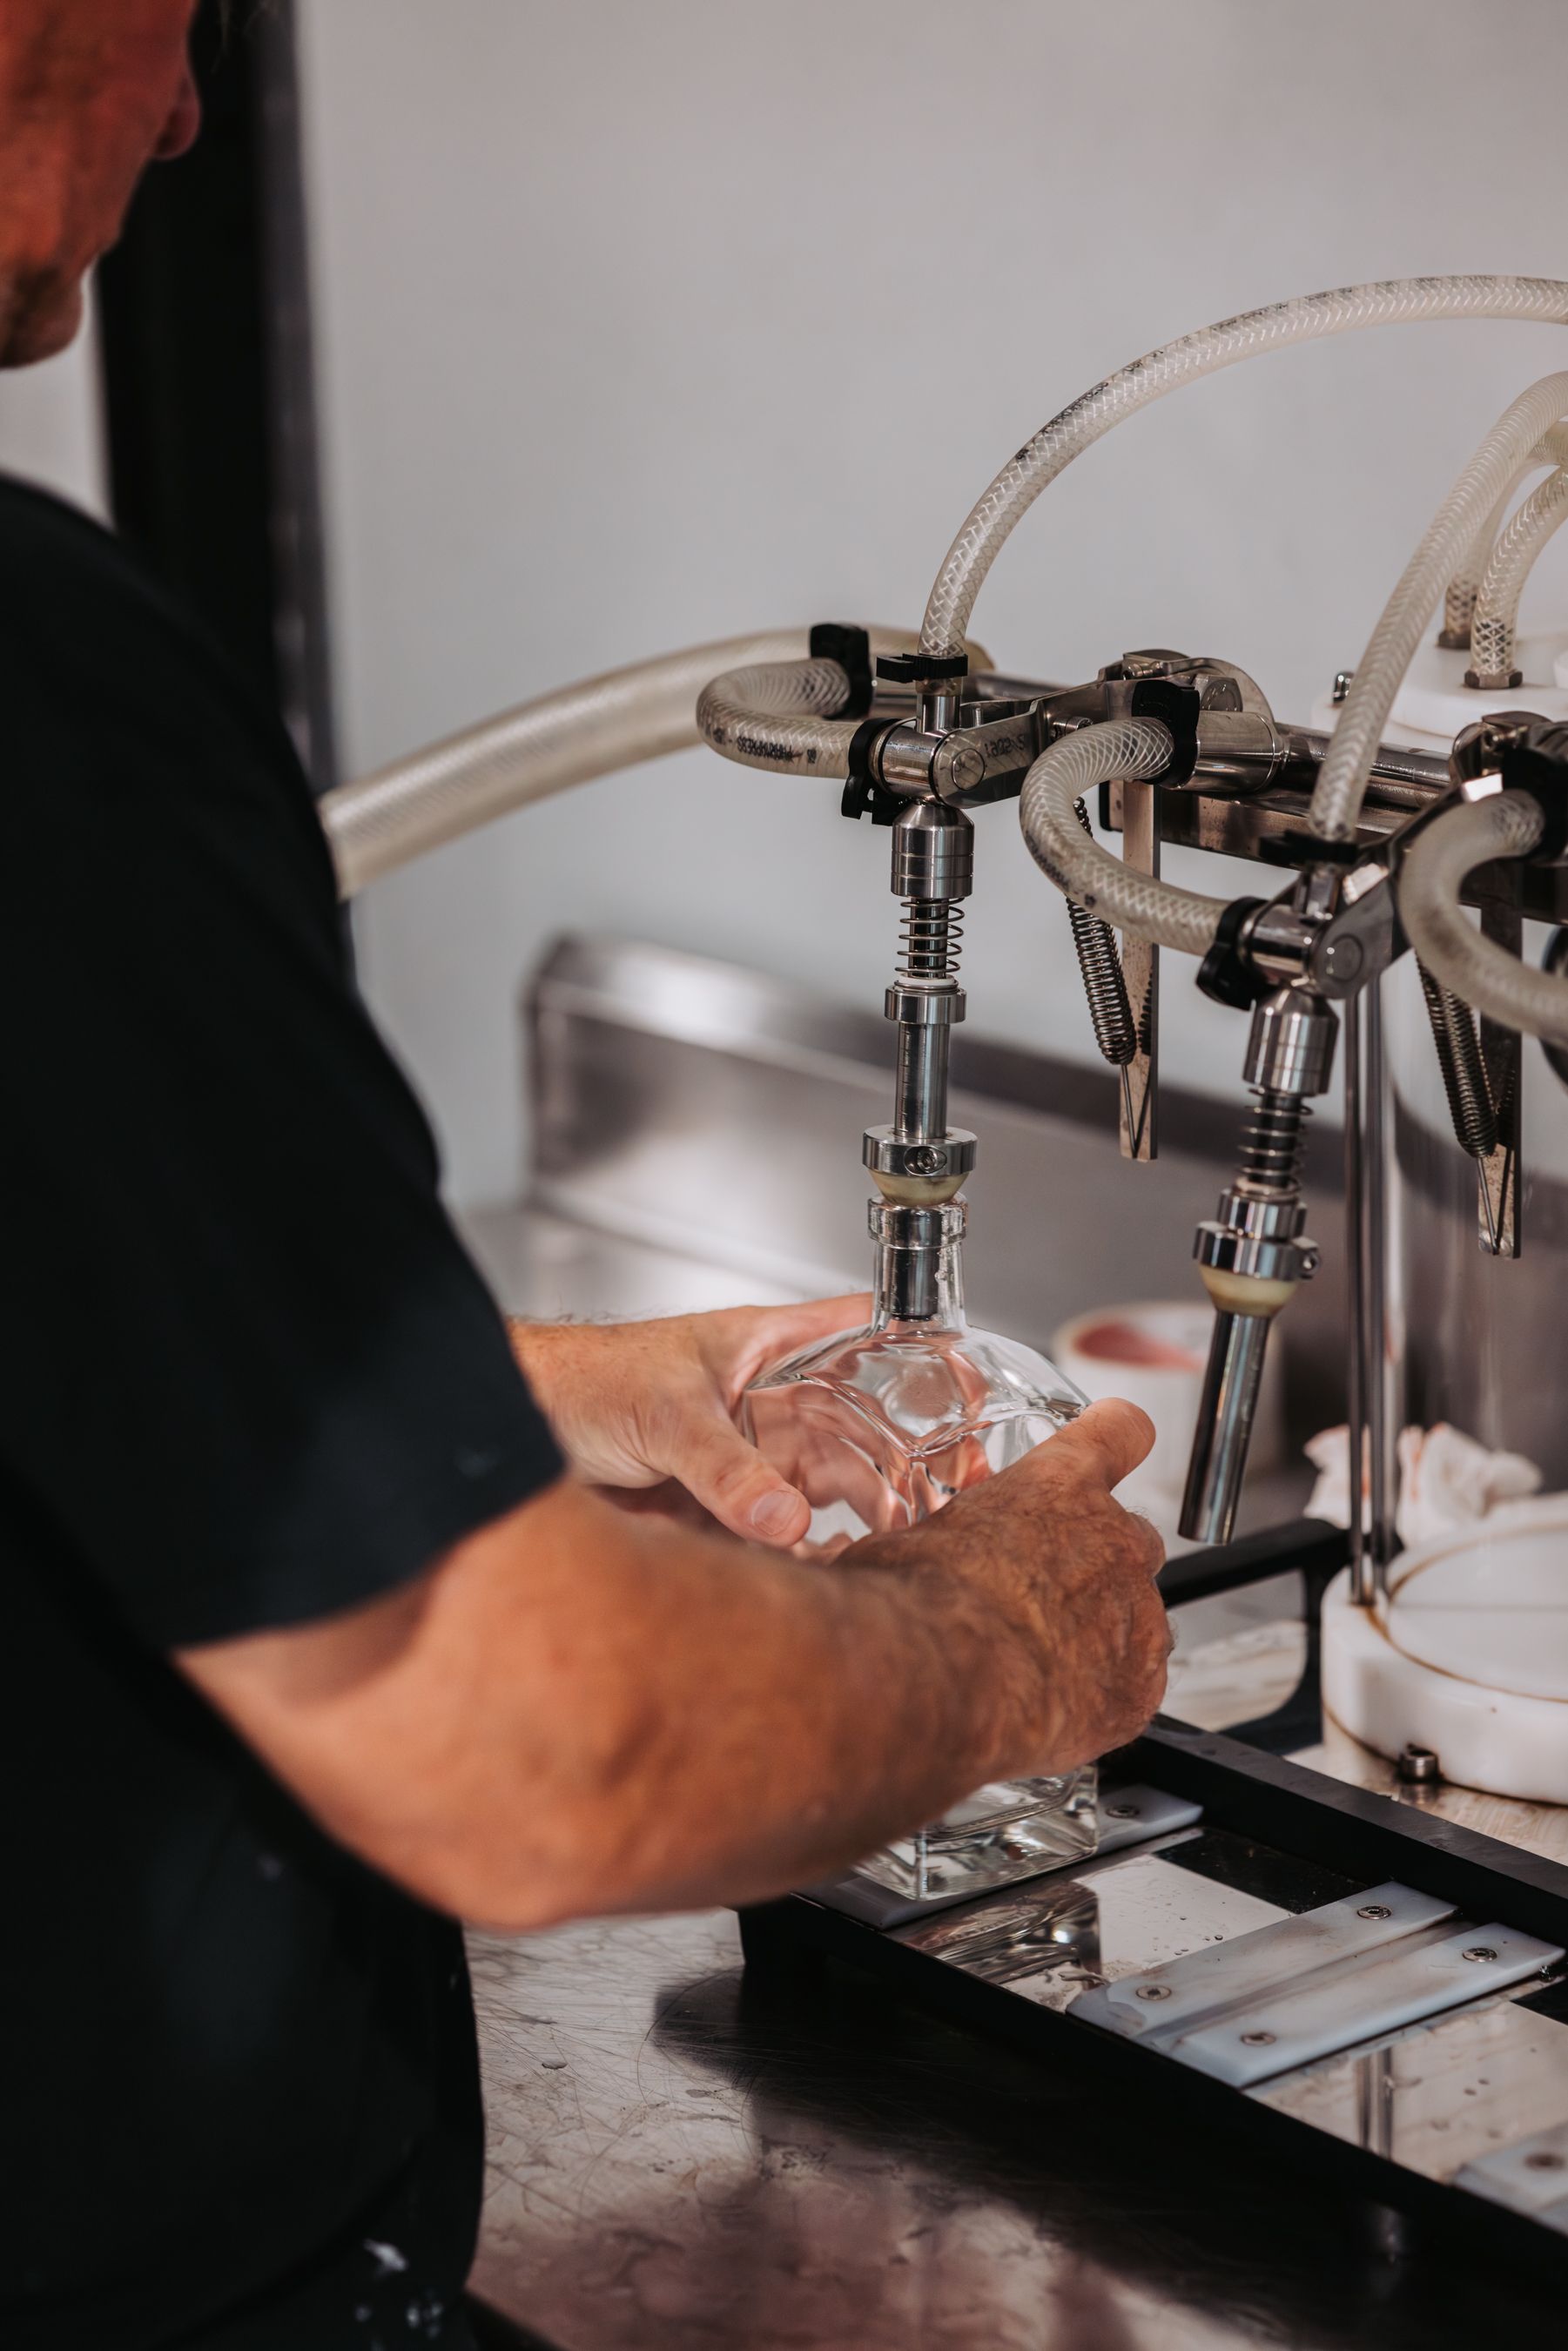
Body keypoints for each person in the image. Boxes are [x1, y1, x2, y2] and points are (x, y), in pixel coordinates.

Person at [0, 7, 1169, 2347]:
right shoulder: (34, 705)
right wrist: (1005, 1635)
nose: (194, 105)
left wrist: (499, 1388)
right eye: (179, 15)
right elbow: (546, 1757)